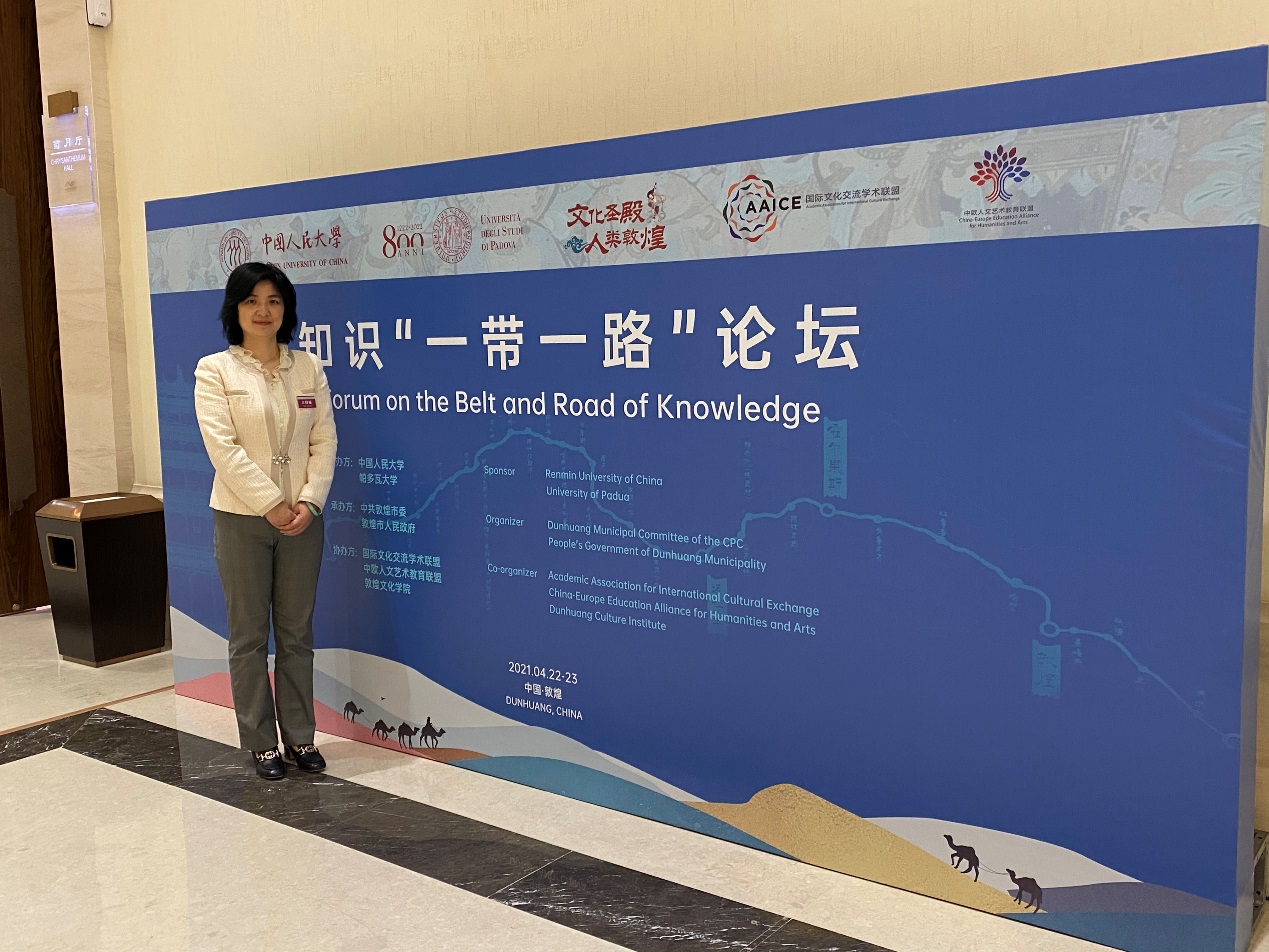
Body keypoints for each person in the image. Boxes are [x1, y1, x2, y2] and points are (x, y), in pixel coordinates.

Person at [193, 261, 337, 779]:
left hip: (303, 520)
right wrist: (270, 503)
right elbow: (223, 450)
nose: (263, 310)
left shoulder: (308, 368)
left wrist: (310, 501)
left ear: (286, 309)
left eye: (273, 300)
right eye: (252, 300)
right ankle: (260, 741)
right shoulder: (215, 370)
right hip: (242, 520)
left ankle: (300, 736)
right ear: (235, 309)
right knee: (249, 636)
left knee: (296, 634)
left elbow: (324, 440)